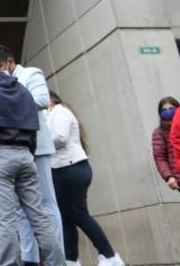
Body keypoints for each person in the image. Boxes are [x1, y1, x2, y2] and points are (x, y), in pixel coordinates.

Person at [0, 43, 64, 266]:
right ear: (5, 62)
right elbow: (33, 127)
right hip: (26, 156)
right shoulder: (23, 90)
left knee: (6, 222)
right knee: (39, 216)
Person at [1, 47, 64, 265]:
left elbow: (41, 100)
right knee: (19, 208)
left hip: (37, 148)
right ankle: (30, 258)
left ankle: (57, 256)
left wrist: (5, 101)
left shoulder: (31, 74)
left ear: (9, 62)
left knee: (46, 203)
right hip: (14, 149)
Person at [47, 92, 124, 266]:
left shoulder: (59, 112)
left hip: (70, 169)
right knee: (66, 217)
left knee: (78, 214)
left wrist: (39, 146)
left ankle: (109, 256)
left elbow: (60, 138)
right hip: (63, 170)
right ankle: (71, 260)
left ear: (50, 100)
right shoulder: (53, 115)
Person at [153, 97, 179, 191]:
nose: (168, 111)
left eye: (171, 108)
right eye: (164, 110)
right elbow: (160, 158)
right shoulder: (159, 133)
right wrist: (169, 177)